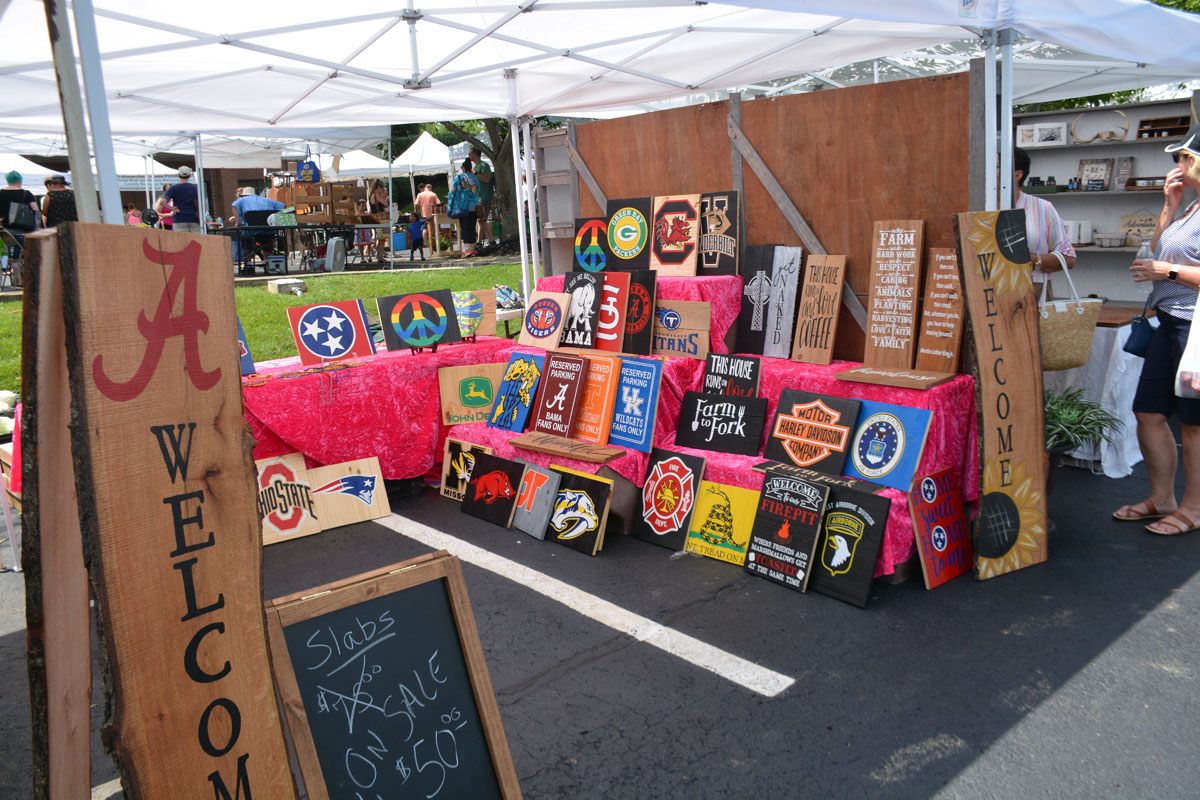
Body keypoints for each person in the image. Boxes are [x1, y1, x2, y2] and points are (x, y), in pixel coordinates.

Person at [1112, 126, 1200, 535]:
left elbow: (1166, 264)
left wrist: (1166, 270)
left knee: (1194, 423)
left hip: (1194, 328)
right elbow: (1159, 248)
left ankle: (1193, 508)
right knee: (1148, 411)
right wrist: (1169, 206)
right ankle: (1163, 499)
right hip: (1168, 323)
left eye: (1184, 157)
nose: (1177, 165)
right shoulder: (1190, 207)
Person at [1014, 148, 1076, 294]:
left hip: (1034, 289)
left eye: (996, 166)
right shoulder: (978, 206)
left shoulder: (1042, 208)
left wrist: (1032, 260)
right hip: (986, 292)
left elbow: (1068, 258)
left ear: (1017, 174)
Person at [156, 167, 201, 233]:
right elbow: (200, 203)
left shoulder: (174, 188)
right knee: (196, 239)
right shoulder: (195, 188)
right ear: (189, 176)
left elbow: (162, 202)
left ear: (178, 176)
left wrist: (172, 209)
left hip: (179, 219)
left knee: (181, 239)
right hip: (194, 219)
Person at [450, 158, 479, 258]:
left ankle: (467, 249)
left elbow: (453, 191)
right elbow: (477, 191)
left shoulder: (459, 178)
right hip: (474, 206)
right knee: (472, 227)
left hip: (463, 206)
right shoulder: (475, 178)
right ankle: (473, 248)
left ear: (463, 168)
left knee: (465, 228)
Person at [469, 147, 494, 246]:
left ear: (475, 154)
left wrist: (474, 173)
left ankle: (479, 242)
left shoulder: (483, 165)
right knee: (482, 220)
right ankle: (491, 241)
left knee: (481, 220)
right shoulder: (476, 167)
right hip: (478, 197)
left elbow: (487, 179)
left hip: (485, 196)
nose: (469, 155)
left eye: (470, 153)